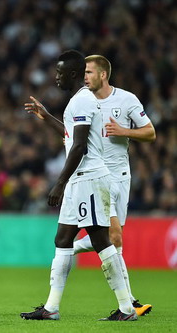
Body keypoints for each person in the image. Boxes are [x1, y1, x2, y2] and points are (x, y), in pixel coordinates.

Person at [20, 50, 136, 321]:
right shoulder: (78, 101)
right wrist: (47, 117)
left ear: (73, 74)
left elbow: (80, 146)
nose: (56, 77)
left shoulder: (81, 101)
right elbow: (73, 136)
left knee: (100, 242)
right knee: (62, 239)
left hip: (90, 179)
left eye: (60, 73)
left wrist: (59, 183)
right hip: (81, 180)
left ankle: (127, 308)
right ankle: (51, 308)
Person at [73, 55, 155, 316]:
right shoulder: (81, 100)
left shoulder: (127, 99)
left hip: (121, 175)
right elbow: (71, 134)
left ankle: (70, 247)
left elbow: (150, 132)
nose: (84, 77)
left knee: (111, 237)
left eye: (88, 72)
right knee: (115, 236)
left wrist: (123, 131)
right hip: (97, 175)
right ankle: (129, 302)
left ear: (103, 75)